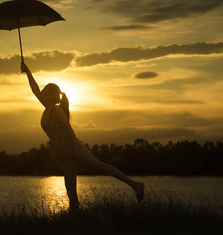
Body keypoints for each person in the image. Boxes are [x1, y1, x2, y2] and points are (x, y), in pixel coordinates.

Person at [21, 63, 144, 214]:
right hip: (60, 151)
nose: (41, 92)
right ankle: (75, 223)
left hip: (71, 147)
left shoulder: (56, 109)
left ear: (51, 95)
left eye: (45, 90)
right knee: (70, 190)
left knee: (98, 167)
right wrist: (27, 71)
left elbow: (69, 130)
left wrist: (75, 149)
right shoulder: (47, 108)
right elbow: (34, 89)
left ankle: (135, 185)